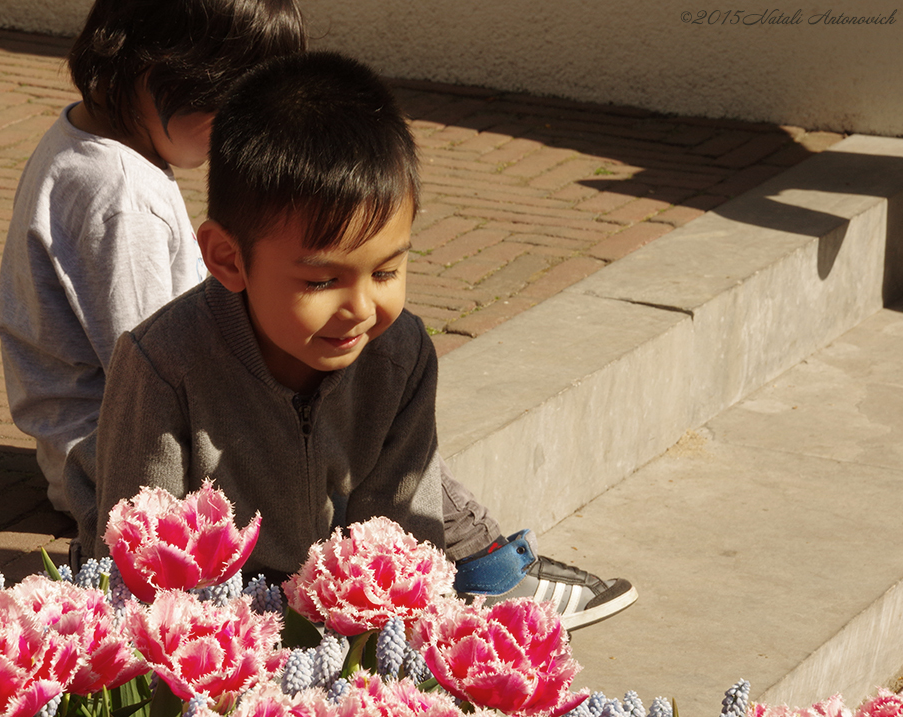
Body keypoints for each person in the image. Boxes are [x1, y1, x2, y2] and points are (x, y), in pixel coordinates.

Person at [63, 50, 637, 630]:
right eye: (321, 280)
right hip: (219, 604)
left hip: (323, 595)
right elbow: (141, 569)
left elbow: (397, 543)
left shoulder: (401, 353)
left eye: (385, 272)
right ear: (227, 259)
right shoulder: (162, 365)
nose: (361, 309)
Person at [0, 0, 306, 513]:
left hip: (91, 444)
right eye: (228, 108)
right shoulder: (125, 199)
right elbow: (157, 372)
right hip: (125, 469)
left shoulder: (81, 137)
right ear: (156, 70)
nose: (236, 135)